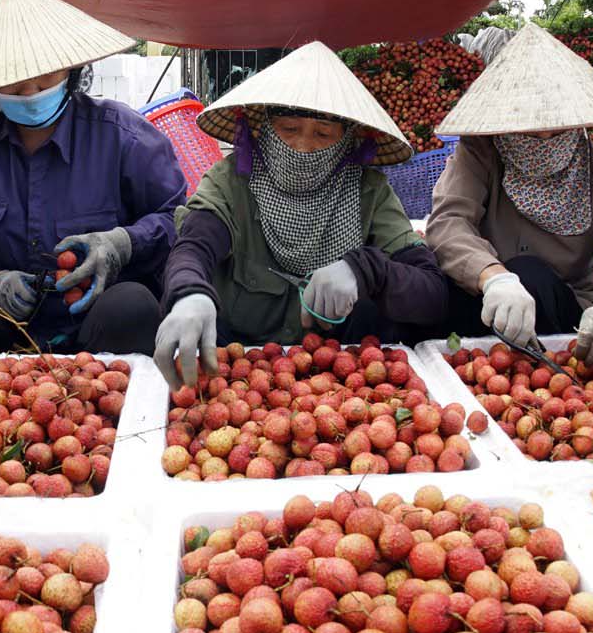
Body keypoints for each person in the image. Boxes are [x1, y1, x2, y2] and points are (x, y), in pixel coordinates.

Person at [0, 0, 184, 356]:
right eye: (13, 82)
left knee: (133, 306)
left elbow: (176, 218)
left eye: (44, 76)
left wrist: (122, 243)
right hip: (3, 328)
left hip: (97, 324)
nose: (30, 91)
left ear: (71, 70)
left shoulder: (125, 136)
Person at [154, 42, 447, 385]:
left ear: (348, 140)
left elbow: (433, 293)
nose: (303, 147)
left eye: (323, 134)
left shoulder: (369, 192)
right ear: (263, 127)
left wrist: (366, 269)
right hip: (238, 369)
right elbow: (195, 244)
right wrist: (189, 293)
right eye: (289, 129)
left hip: (339, 377)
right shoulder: (231, 181)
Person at [428, 24, 593, 364]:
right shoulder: (480, 154)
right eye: (529, 126)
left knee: (532, 274)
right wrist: (494, 277)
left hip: (562, 316)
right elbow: (448, 224)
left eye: (556, 126)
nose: (543, 136)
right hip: (486, 302)